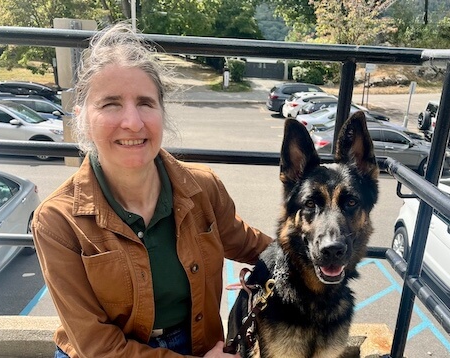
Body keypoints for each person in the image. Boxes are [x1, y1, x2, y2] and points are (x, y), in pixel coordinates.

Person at [32, 23, 272, 358]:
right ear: (81, 117)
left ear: (162, 112)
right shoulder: (57, 220)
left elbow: (258, 249)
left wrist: (322, 257)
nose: (132, 121)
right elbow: (97, 347)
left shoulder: (203, 188)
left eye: (145, 102)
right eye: (110, 104)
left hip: (197, 343)